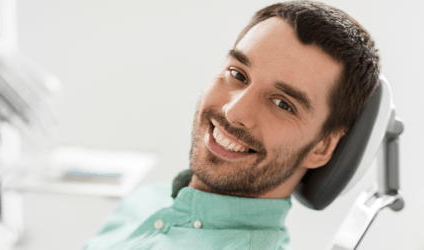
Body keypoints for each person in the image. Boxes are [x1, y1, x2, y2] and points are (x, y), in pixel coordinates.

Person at [83, 1, 380, 249]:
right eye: (238, 75)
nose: (233, 110)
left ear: (322, 147)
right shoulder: (146, 201)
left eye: (282, 104)